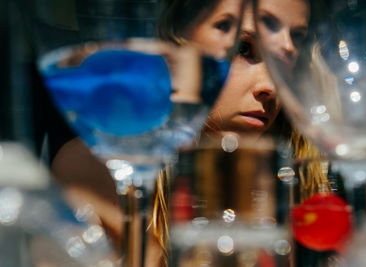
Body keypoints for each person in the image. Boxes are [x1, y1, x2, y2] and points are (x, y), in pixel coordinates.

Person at [50, 0, 331, 266]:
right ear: (174, 41)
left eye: (285, 58)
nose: (270, 85)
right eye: (243, 48)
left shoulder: (305, 180)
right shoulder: (104, 168)